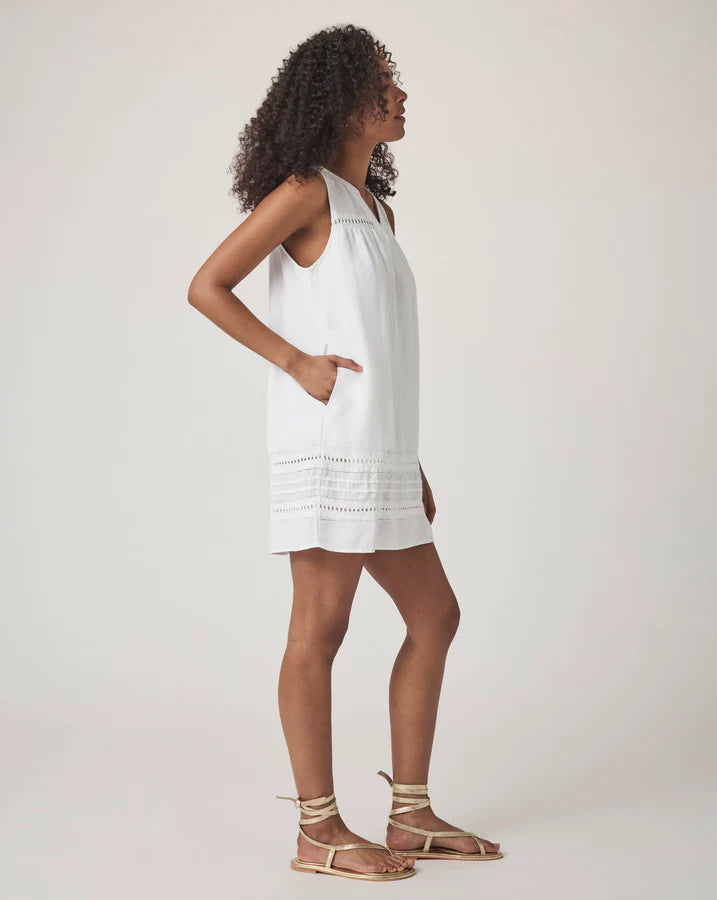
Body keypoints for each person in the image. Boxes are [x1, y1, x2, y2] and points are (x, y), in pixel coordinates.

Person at [188, 23, 502, 883]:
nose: (400, 96)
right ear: (340, 99)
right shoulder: (305, 192)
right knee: (319, 632)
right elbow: (207, 286)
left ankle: (410, 814)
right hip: (329, 447)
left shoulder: (377, 212)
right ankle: (318, 830)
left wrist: (409, 458)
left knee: (435, 616)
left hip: (379, 452)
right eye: (383, 82)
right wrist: (296, 362)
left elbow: (381, 344)